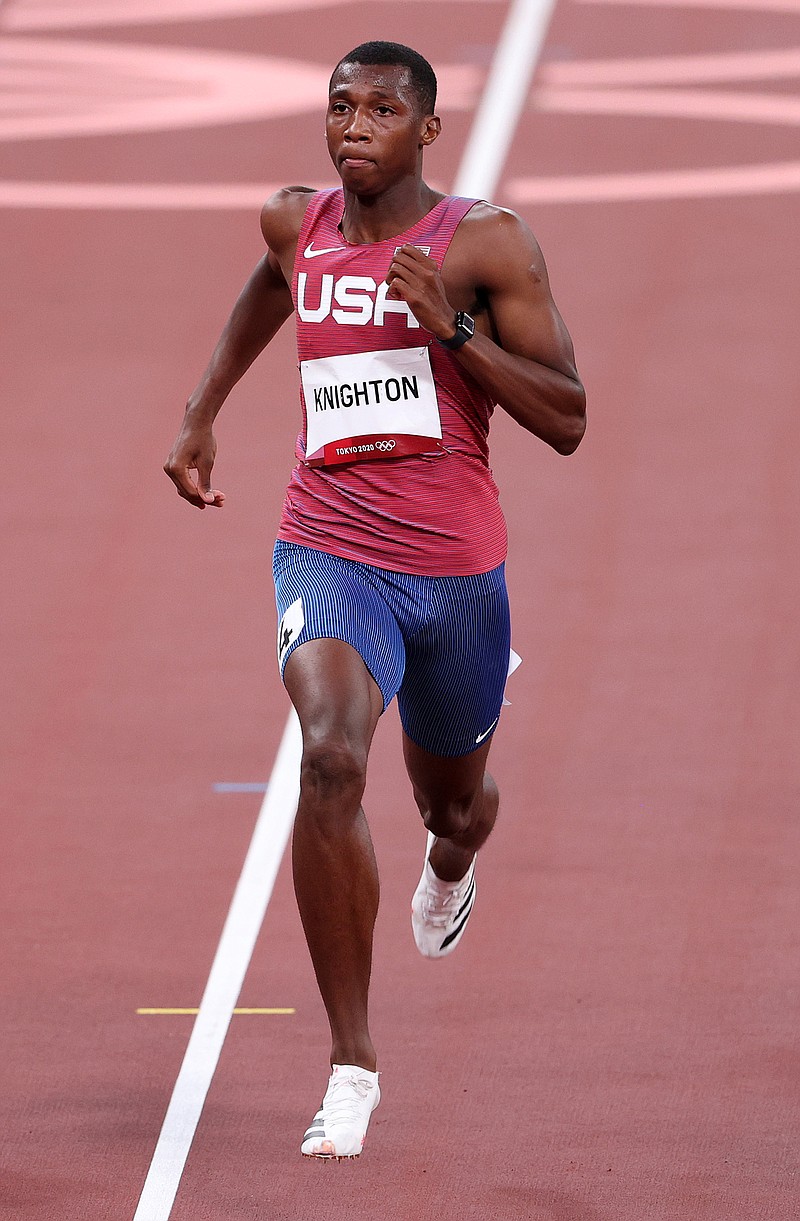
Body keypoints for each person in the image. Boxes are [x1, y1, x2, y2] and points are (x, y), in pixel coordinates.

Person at [164, 40, 585, 1160]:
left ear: (425, 133)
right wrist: (202, 408)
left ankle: (452, 864)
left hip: (453, 575)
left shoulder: (485, 244)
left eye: (382, 109)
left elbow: (568, 418)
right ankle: (351, 1064)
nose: (354, 126)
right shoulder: (293, 221)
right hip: (328, 548)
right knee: (333, 755)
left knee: (453, 803)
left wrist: (451, 328)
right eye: (340, 105)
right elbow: (273, 280)